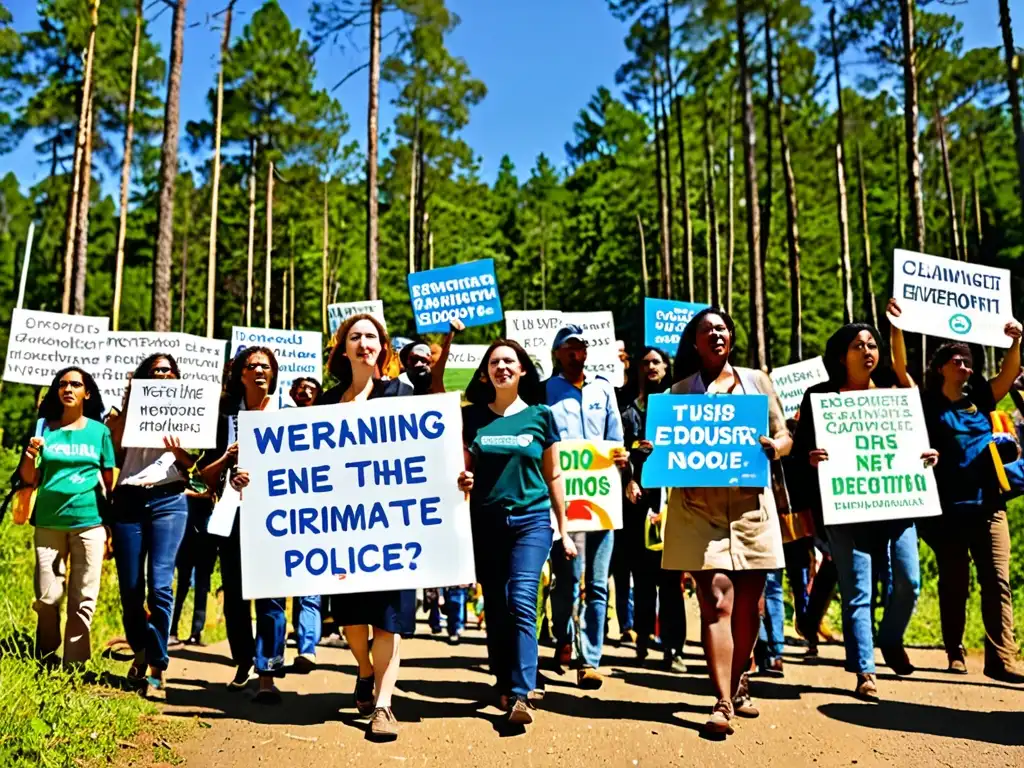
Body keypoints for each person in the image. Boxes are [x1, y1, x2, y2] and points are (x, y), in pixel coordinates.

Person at [791, 301, 938, 702]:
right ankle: (865, 671)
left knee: (909, 580)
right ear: (842, 355)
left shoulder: (896, 395)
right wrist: (811, 458)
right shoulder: (818, 397)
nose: (869, 351)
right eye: (859, 345)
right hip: (845, 506)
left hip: (897, 502)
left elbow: (921, 442)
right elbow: (799, 456)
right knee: (857, 590)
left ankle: (889, 639)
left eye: (872, 344)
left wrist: (928, 455)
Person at [660, 308, 791, 736]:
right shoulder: (677, 393)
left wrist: (777, 447)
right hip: (699, 511)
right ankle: (721, 701)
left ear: (731, 338)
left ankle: (739, 681)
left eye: (722, 329)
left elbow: (786, 434)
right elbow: (664, 448)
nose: (716, 335)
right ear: (694, 343)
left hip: (752, 510)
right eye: (706, 330)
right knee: (717, 601)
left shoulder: (757, 382)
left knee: (750, 608)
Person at [458, 339, 576, 726]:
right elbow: (461, 471)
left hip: (532, 520)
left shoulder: (542, 415)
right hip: (487, 525)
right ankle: (504, 678)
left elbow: (554, 474)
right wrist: (463, 479)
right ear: (485, 372)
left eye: (510, 360)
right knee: (496, 604)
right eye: (494, 362)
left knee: (521, 598)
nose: (502, 367)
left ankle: (522, 692)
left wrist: (566, 528)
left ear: (523, 369)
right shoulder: (472, 418)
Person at [316, 313, 416, 741]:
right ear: (343, 348)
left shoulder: (401, 395)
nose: (363, 343)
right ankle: (363, 667)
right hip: (344, 530)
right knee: (352, 618)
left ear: (382, 347)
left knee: (388, 619)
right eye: (354, 336)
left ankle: (383, 705)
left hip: (394, 528)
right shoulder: (325, 403)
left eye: (371, 336)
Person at [918, 319, 1024, 682]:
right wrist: (898, 327)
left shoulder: (979, 398)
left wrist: (1016, 341)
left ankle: (1001, 657)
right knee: (954, 581)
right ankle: (955, 649)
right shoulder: (927, 405)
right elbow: (900, 371)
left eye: (968, 361)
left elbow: (1008, 377)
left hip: (990, 503)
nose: (965, 366)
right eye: (958, 361)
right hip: (948, 509)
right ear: (940, 367)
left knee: (997, 579)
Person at [200, 346, 287, 703]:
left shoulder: (288, 416)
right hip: (233, 516)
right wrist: (227, 459)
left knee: (272, 596)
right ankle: (244, 659)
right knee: (236, 596)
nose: (260, 371)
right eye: (253, 365)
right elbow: (203, 476)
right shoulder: (223, 419)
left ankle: (267, 675)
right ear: (240, 374)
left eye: (266, 366)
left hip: (277, 517)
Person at [545, 324, 628, 690]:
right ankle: (563, 635)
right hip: (564, 501)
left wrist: (622, 461)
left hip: (601, 498)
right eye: (569, 348)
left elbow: (616, 439)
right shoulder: (545, 391)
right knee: (566, 581)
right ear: (558, 354)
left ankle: (589, 659)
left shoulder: (603, 388)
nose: (577, 353)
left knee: (596, 583)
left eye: (581, 347)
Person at [105, 354, 195, 693]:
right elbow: (111, 453)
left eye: (169, 371)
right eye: (156, 371)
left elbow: (194, 468)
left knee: (159, 586)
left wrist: (181, 449)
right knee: (130, 590)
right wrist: (127, 406)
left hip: (169, 500)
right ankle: (141, 652)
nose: (163, 375)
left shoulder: (189, 415)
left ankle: (157, 663)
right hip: (128, 500)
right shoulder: (122, 414)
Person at [18, 367, 114, 669]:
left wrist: (112, 523)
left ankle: (74, 664)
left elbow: (110, 480)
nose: (68, 389)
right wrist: (30, 455)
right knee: (47, 597)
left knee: (83, 597)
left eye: (75, 384)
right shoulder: (44, 427)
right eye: (62, 384)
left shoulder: (100, 432)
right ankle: (47, 655)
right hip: (47, 522)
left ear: (87, 393)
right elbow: (28, 478)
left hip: (90, 522)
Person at [620, 346, 687, 672]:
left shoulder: (680, 408)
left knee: (671, 579)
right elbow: (617, 452)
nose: (651, 367)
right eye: (645, 362)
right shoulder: (628, 410)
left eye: (656, 362)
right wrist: (631, 469)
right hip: (638, 501)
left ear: (666, 367)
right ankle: (643, 640)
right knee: (643, 577)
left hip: (674, 501)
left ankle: (674, 648)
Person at [285, 376, 323, 673]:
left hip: (318, 517)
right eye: (301, 388)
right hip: (284, 515)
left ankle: (307, 647)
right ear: (291, 393)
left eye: (312, 388)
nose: (306, 392)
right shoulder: (278, 422)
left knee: (310, 585)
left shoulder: (329, 424)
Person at [397, 318, 464, 395]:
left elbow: (445, 351)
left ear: (429, 359)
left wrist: (452, 331)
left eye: (422, 359)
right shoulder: (405, 373)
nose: (419, 363)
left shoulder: (435, 371)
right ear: (407, 361)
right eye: (415, 359)